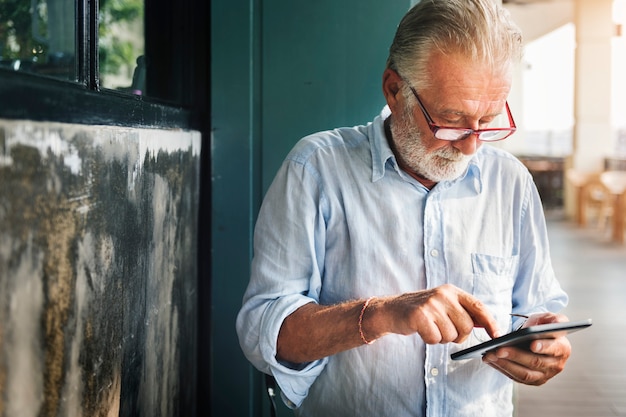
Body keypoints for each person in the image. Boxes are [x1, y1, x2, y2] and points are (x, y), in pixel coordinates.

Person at [236, 1, 571, 416]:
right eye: (452, 120)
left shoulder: (511, 182)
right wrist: (381, 314)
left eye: (487, 120)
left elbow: (533, 312)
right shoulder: (317, 168)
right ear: (394, 90)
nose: (472, 144)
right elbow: (264, 332)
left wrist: (541, 346)